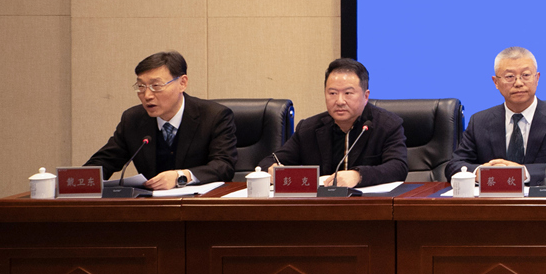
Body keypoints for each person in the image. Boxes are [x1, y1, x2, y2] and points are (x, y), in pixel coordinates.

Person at [85, 50, 236, 189]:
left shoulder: (214, 116)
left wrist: (181, 176)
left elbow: (223, 166)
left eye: (156, 86)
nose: (147, 95)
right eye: (141, 86)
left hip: (199, 203)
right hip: (152, 205)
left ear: (182, 83)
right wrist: (77, 180)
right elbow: (105, 161)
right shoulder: (133, 119)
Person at [448, 46, 546, 184]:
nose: (519, 83)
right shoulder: (479, 122)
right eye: (510, 77)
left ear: (537, 78)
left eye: (525, 75)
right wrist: (481, 172)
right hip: (494, 196)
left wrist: (522, 172)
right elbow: (454, 166)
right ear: (496, 82)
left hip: (541, 197)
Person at [270, 58, 409, 188]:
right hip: (322, 204)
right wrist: (272, 170)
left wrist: (358, 175)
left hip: (369, 203)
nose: (340, 101)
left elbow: (398, 167)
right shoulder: (309, 128)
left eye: (348, 93)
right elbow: (270, 161)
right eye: (332, 93)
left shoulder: (387, 125)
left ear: (366, 96)